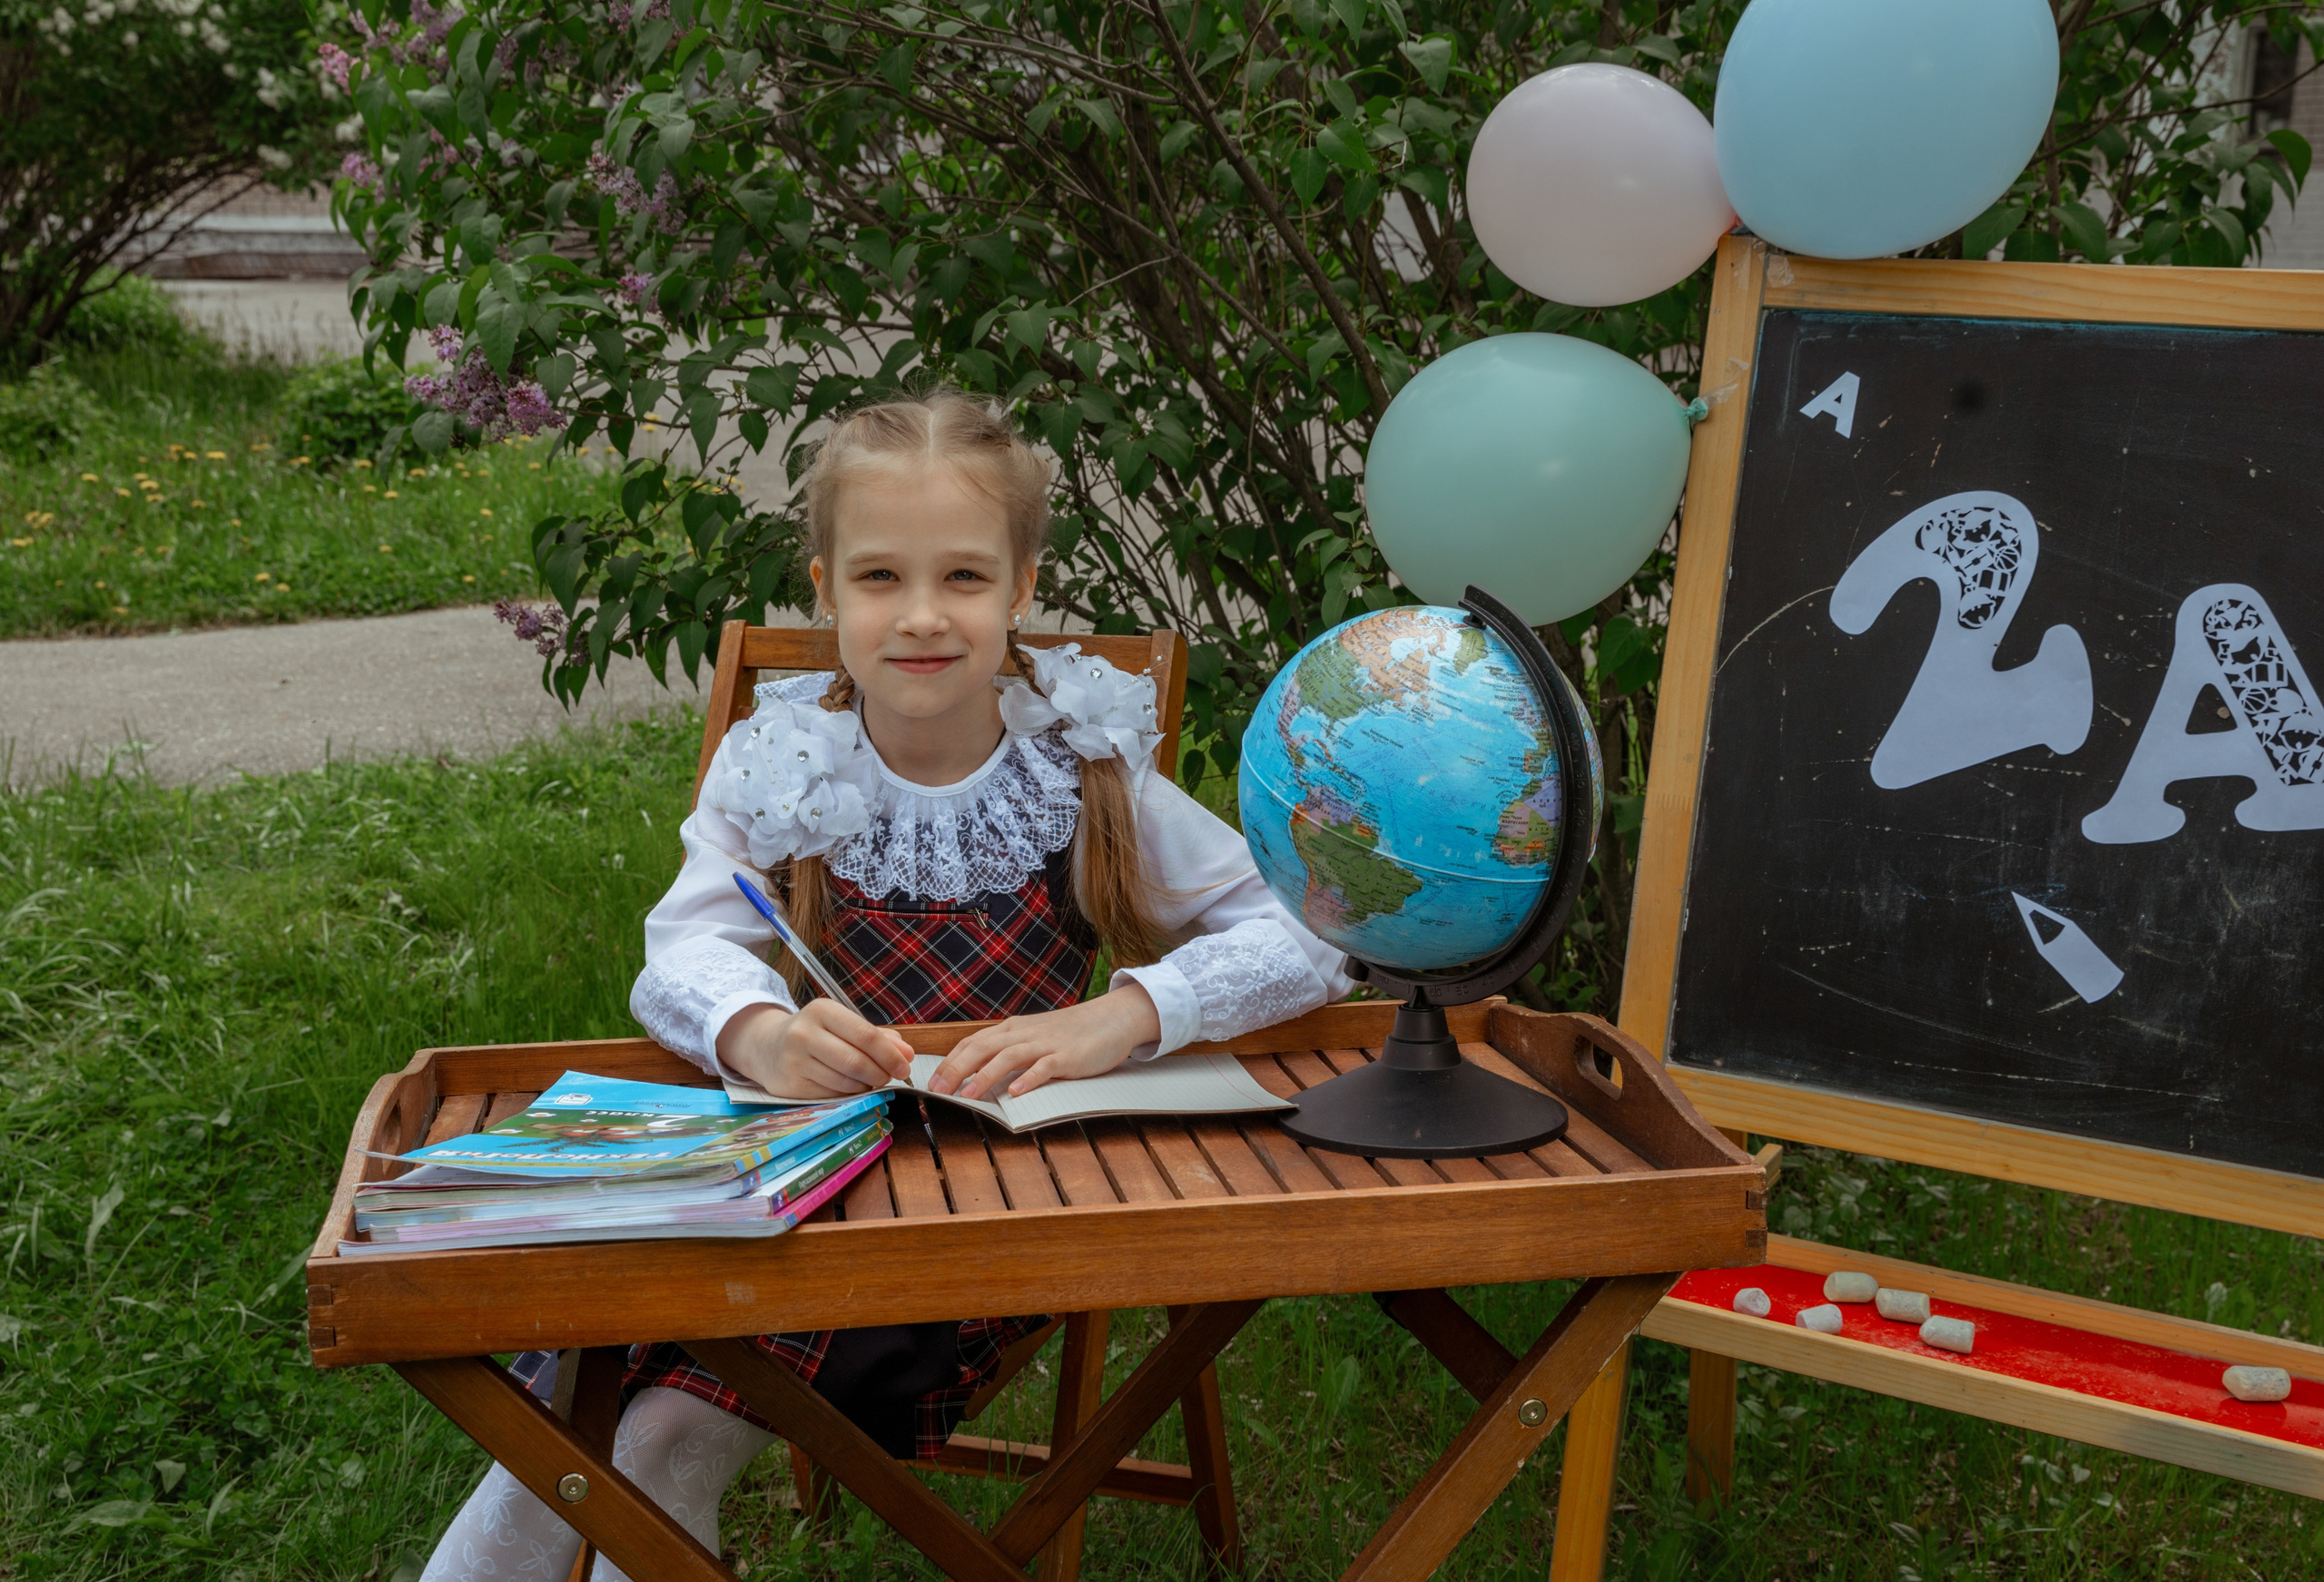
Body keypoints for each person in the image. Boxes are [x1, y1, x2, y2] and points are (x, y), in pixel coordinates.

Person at [419, 391, 1351, 1579]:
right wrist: (754, 1033)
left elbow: (1310, 933)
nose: (921, 616)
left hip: (973, 1231)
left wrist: (1124, 1015)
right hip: (776, 1184)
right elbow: (681, 955)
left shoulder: (1080, 770)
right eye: (879, 579)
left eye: (964, 578)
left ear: (1021, 592)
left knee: (653, 1438)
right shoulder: (783, 761)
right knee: (547, 1436)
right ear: (824, 588)